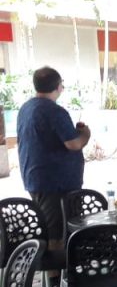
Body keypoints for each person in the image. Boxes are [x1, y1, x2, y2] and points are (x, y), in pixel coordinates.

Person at [17, 66, 91, 254]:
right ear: (58, 86)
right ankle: (58, 273)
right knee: (57, 235)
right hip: (56, 185)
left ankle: (62, 270)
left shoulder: (26, 108)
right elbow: (73, 144)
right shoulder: (54, 111)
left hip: (38, 179)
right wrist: (85, 134)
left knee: (52, 230)